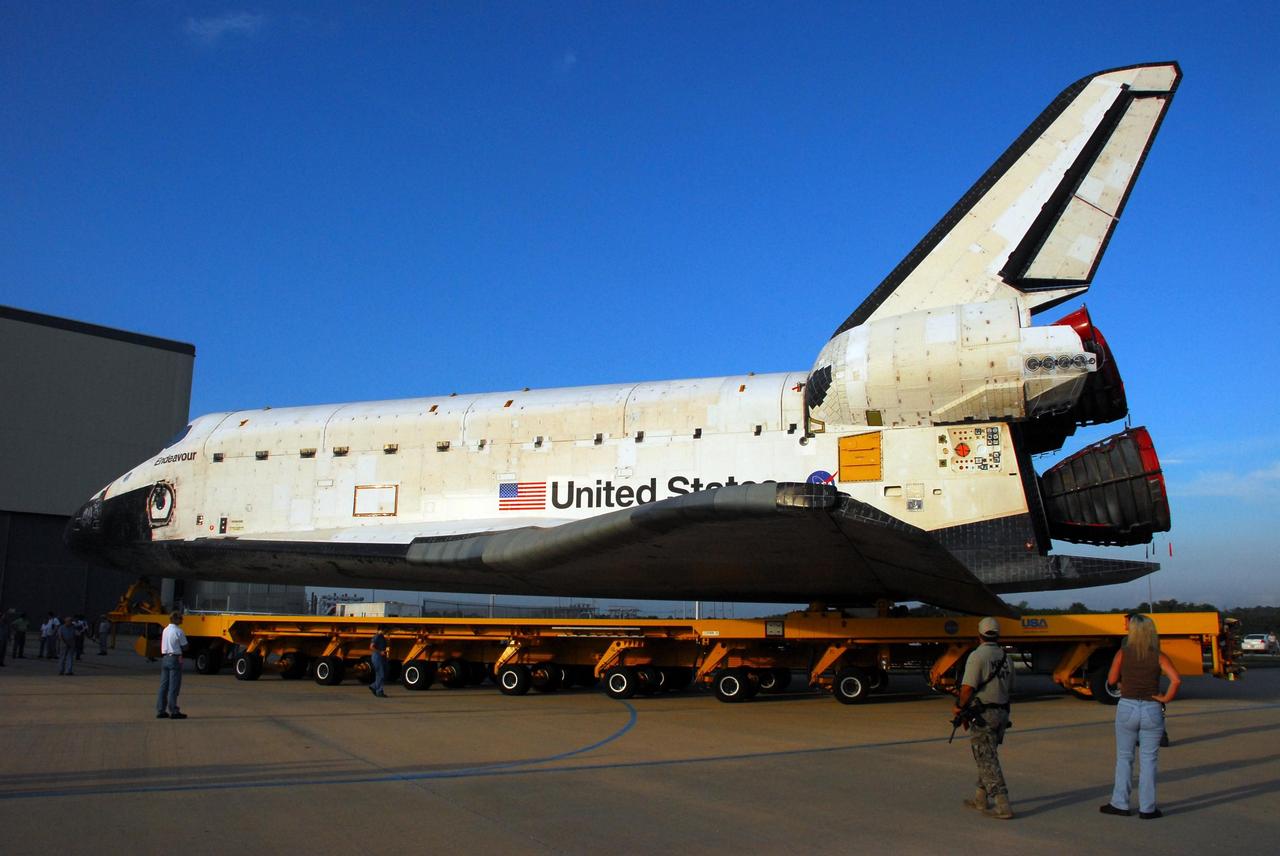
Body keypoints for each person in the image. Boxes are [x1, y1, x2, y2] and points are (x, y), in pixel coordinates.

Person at [1100, 613, 1182, 819]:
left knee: (1125, 757)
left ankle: (1120, 803)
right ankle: (1148, 808)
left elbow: (1110, 680)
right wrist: (1165, 698)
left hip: (1127, 706)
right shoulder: (1158, 655)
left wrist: (1121, 684)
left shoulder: (1123, 653)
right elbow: (1176, 680)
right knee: (1149, 759)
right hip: (1151, 708)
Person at [953, 616, 1015, 819]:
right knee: (987, 755)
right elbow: (1011, 685)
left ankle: (1002, 803)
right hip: (1002, 712)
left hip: (983, 714)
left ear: (978, 634)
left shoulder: (977, 656)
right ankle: (981, 798)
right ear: (998, 634)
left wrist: (959, 707)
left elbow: (967, 687)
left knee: (986, 757)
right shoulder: (1007, 657)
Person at [156, 612, 189, 719]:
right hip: (174, 658)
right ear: (175, 619)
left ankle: (161, 710)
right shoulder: (178, 631)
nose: (182, 620)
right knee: (173, 686)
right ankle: (173, 710)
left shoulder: (165, 629)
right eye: (180, 618)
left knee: (163, 686)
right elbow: (185, 647)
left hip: (165, 657)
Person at [369, 625, 389, 697]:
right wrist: (380, 652)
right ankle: (379, 691)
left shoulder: (382, 637)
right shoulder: (377, 636)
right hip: (377, 657)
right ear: (381, 629)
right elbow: (371, 646)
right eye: (385, 630)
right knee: (381, 674)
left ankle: (374, 686)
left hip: (382, 657)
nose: (386, 632)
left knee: (382, 674)